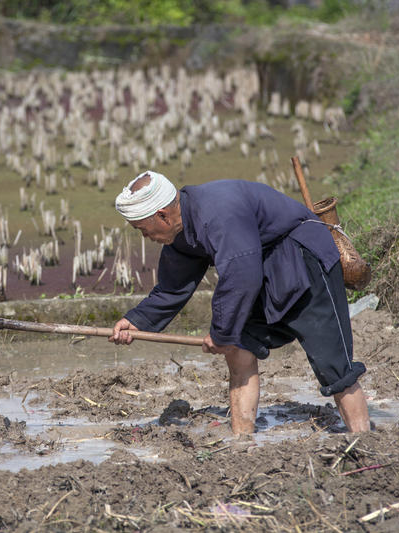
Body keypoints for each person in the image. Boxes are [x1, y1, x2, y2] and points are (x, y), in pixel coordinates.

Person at [108, 170, 370, 434]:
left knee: (335, 366)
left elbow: (241, 275)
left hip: (301, 257)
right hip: (260, 269)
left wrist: (221, 332)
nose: (144, 237)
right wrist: (137, 321)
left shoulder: (217, 213)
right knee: (238, 348)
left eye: (142, 229)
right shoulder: (181, 233)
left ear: (162, 215)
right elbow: (172, 287)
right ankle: (242, 441)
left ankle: (363, 440)